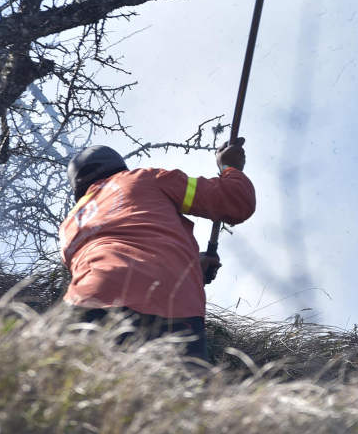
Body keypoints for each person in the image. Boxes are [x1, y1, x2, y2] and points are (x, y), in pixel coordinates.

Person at [59, 139, 256, 360]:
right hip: (170, 307)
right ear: (119, 166)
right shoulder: (143, 179)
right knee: (183, 387)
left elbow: (116, 255)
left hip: (88, 299)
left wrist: (192, 268)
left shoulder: (68, 227)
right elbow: (234, 201)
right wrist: (230, 167)